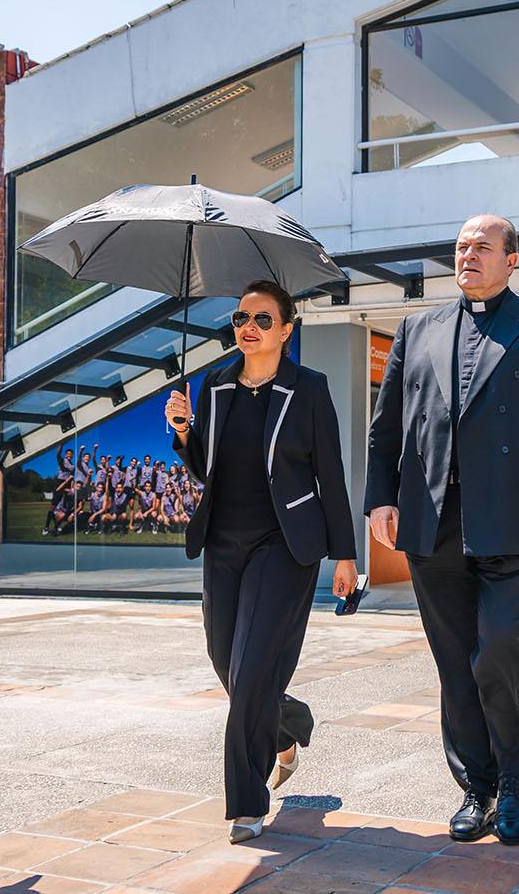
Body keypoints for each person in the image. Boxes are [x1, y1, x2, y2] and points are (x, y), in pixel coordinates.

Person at [365, 214, 519, 847]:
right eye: (462, 247)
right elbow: (387, 427)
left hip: (516, 523)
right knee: (453, 661)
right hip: (432, 523)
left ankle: (514, 777)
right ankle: (478, 787)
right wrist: (380, 498)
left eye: (482, 248)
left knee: (500, 647)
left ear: (512, 260)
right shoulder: (417, 327)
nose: (467, 256)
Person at [166, 280, 360, 842]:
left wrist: (344, 555)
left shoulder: (309, 388)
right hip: (223, 541)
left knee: (251, 667)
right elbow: (206, 467)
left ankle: (247, 802)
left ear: (286, 329)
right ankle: (288, 721)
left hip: (286, 544)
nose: (248, 327)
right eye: (239, 318)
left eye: (262, 319)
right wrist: (183, 432)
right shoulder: (216, 384)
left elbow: (330, 474)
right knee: (224, 657)